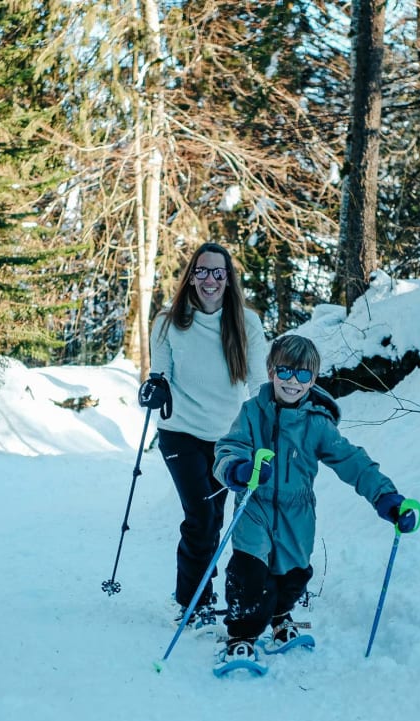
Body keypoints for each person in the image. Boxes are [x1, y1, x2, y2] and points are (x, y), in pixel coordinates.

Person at [212, 334, 419, 668]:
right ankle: (242, 635)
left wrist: (386, 497)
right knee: (250, 573)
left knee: (293, 575)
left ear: (313, 380)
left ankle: (281, 618)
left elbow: (352, 461)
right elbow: (228, 448)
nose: (293, 382)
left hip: (298, 512)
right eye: (285, 372)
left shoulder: (317, 424)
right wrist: (239, 469)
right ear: (270, 372)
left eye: (303, 375)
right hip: (255, 505)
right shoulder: (252, 413)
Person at [139, 242, 268, 626]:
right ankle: (193, 602)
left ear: (228, 279)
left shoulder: (246, 323)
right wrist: (154, 388)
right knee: (200, 516)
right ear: (191, 276)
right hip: (179, 433)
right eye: (202, 271)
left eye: (217, 272)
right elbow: (158, 374)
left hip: (227, 438)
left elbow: (259, 381)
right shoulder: (168, 321)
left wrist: (268, 421)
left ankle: (201, 592)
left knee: (215, 515)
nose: (209, 279)